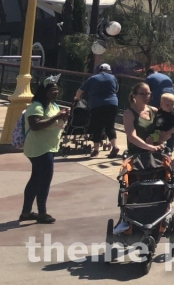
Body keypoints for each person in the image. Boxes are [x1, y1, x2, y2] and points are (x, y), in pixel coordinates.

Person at [20, 75, 70, 223]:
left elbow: (57, 124)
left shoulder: (53, 106)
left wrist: (63, 117)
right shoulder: (36, 106)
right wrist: (56, 117)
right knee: (44, 181)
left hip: (49, 147)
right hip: (39, 149)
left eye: (57, 89)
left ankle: (26, 212)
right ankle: (42, 213)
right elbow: (35, 126)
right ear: (45, 92)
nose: (56, 92)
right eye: (53, 90)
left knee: (35, 180)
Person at [74, 62, 120, 158]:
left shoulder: (93, 78)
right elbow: (116, 90)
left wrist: (77, 99)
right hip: (112, 104)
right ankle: (114, 146)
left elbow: (80, 91)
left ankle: (96, 150)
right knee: (110, 126)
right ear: (109, 70)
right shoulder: (113, 78)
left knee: (97, 126)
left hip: (97, 105)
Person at [123, 82, 162, 156]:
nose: (146, 96)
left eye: (148, 93)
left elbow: (162, 130)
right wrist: (149, 147)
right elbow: (131, 137)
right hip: (137, 156)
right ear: (134, 96)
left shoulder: (154, 111)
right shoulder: (129, 113)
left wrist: (160, 143)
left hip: (156, 153)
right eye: (142, 94)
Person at [151, 92, 174, 169]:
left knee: (169, 148)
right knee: (156, 145)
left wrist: (168, 133)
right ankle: (154, 157)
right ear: (161, 105)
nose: (170, 107)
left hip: (168, 133)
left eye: (172, 104)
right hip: (157, 132)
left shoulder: (173, 114)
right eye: (167, 105)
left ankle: (169, 162)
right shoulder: (159, 112)